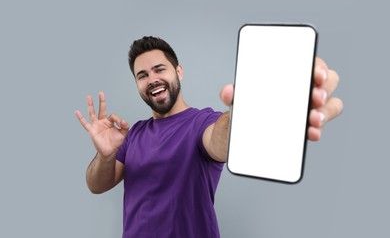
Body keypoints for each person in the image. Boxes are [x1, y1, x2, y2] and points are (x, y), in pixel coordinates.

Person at [74, 36, 343, 237]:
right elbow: (96, 184)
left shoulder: (203, 122)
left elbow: (220, 142)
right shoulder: (132, 135)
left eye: (159, 69)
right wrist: (105, 154)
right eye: (142, 75)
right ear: (137, 85)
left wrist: (248, 108)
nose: (152, 79)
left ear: (178, 72)